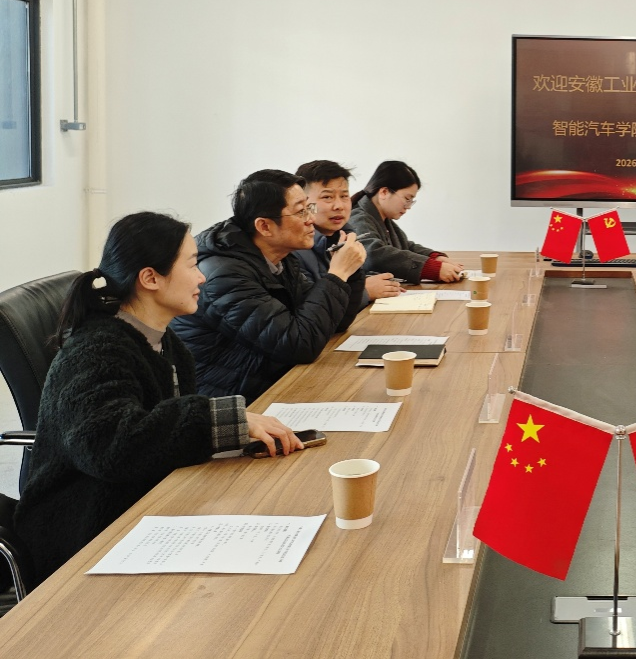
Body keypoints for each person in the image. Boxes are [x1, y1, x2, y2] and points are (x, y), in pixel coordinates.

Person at [14, 212, 303, 586]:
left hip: (143, 510)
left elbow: (161, 433)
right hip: (82, 533)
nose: (201, 277)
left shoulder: (167, 345)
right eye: (192, 265)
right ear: (150, 278)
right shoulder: (94, 351)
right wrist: (219, 419)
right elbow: (110, 446)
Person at [172, 169, 366, 402]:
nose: (311, 220)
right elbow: (298, 345)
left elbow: (333, 323)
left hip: (271, 382)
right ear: (264, 226)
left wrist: (348, 273)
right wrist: (337, 274)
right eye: (301, 211)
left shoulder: (279, 258)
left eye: (309, 208)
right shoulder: (224, 275)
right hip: (233, 402)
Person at [294, 160, 402, 305]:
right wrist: (364, 292)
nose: (339, 206)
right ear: (304, 204)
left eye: (344, 196)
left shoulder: (346, 236)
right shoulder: (294, 249)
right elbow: (312, 307)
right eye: (327, 197)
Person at [348, 160, 464, 284]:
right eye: (407, 199)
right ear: (384, 192)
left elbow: (405, 246)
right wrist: (432, 268)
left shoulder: (383, 219)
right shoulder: (359, 218)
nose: (408, 206)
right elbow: (374, 255)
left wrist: (435, 258)